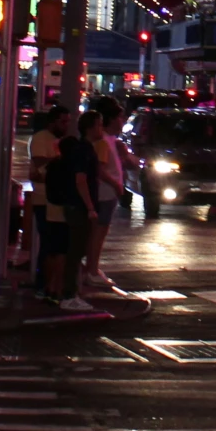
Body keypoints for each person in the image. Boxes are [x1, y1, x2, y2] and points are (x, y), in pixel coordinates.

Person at [42, 110, 101, 311]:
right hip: (78, 207)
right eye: (99, 125)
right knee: (75, 251)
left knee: (77, 250)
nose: (101, 129)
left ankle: (70, 292)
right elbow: (81, 179)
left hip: (76, 205)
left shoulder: (83, 149)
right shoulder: (83, 150)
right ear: (91, 127)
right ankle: (69, 294)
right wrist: (90, 207)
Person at [81, 98, 126, 295]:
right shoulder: (103, 142)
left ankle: (92, 268)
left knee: (99, 232)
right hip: (104, 194)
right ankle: (91, 270)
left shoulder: (109, 141)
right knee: (98, 233)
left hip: (107, 194)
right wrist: (116, 183)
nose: (122, 121)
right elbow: (99, 169)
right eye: (119, 117)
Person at [25, 103, 67, 284]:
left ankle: (44, 280)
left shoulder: (57, 141)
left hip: (53, 197)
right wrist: (59, 161)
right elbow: (39, 160)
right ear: (53, 122)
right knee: (48, 242)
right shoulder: (42, 138)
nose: (66, 126)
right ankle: (42, 281)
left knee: (51, 242)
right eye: (63, 122)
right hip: (43, 197)